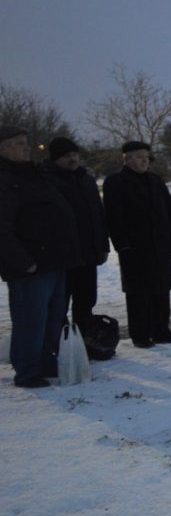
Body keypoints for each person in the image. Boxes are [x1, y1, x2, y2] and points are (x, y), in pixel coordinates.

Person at [0, 126, 80, 388]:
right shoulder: (5, 179)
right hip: (30, 266)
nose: (26, 147)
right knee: (30, 321)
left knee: (53, 318)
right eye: (18, 143)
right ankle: (27, 371)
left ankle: (46, 362)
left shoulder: (34, 174)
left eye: (26, 142)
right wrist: (24, 262)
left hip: (54, 261)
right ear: (3, 149)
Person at [103, 141, 171, 347]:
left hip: (160, 244)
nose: (144, 161)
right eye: (139, 157)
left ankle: (161, 330)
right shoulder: (116, 182)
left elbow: (170, 211)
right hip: (135, 247)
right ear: (127, 158)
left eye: (146, 157)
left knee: (161, 289)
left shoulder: (155, 180)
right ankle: (140, 334)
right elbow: (113, 217)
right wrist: (122, 245)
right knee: (139, 292)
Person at [42, 136, 110, 327]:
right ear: (56, 158)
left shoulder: (86, 179)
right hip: (63, 255)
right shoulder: (47, 180)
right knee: (59, 304)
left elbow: (98, 214)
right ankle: (60, 339)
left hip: (88, 253)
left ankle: (85, 334)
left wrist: (102, 245)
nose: (72, 159)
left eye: (74, 154)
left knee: (86, 300)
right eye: (66, 156)